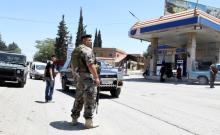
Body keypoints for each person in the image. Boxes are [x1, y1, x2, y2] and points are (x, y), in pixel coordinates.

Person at [71, 34, 100, 129]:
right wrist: (96, 78)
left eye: (91, 40)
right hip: (87, 78)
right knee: (90, 99)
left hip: (79, 78)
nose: (91, 41)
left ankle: (74, 119)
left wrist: (76, 76)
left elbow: (72, 65)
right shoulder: (87, 50)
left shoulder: (76, 50)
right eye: (89, 40)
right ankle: (88, 122)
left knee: (78, 98)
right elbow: (90, 65)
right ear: (84, 40)